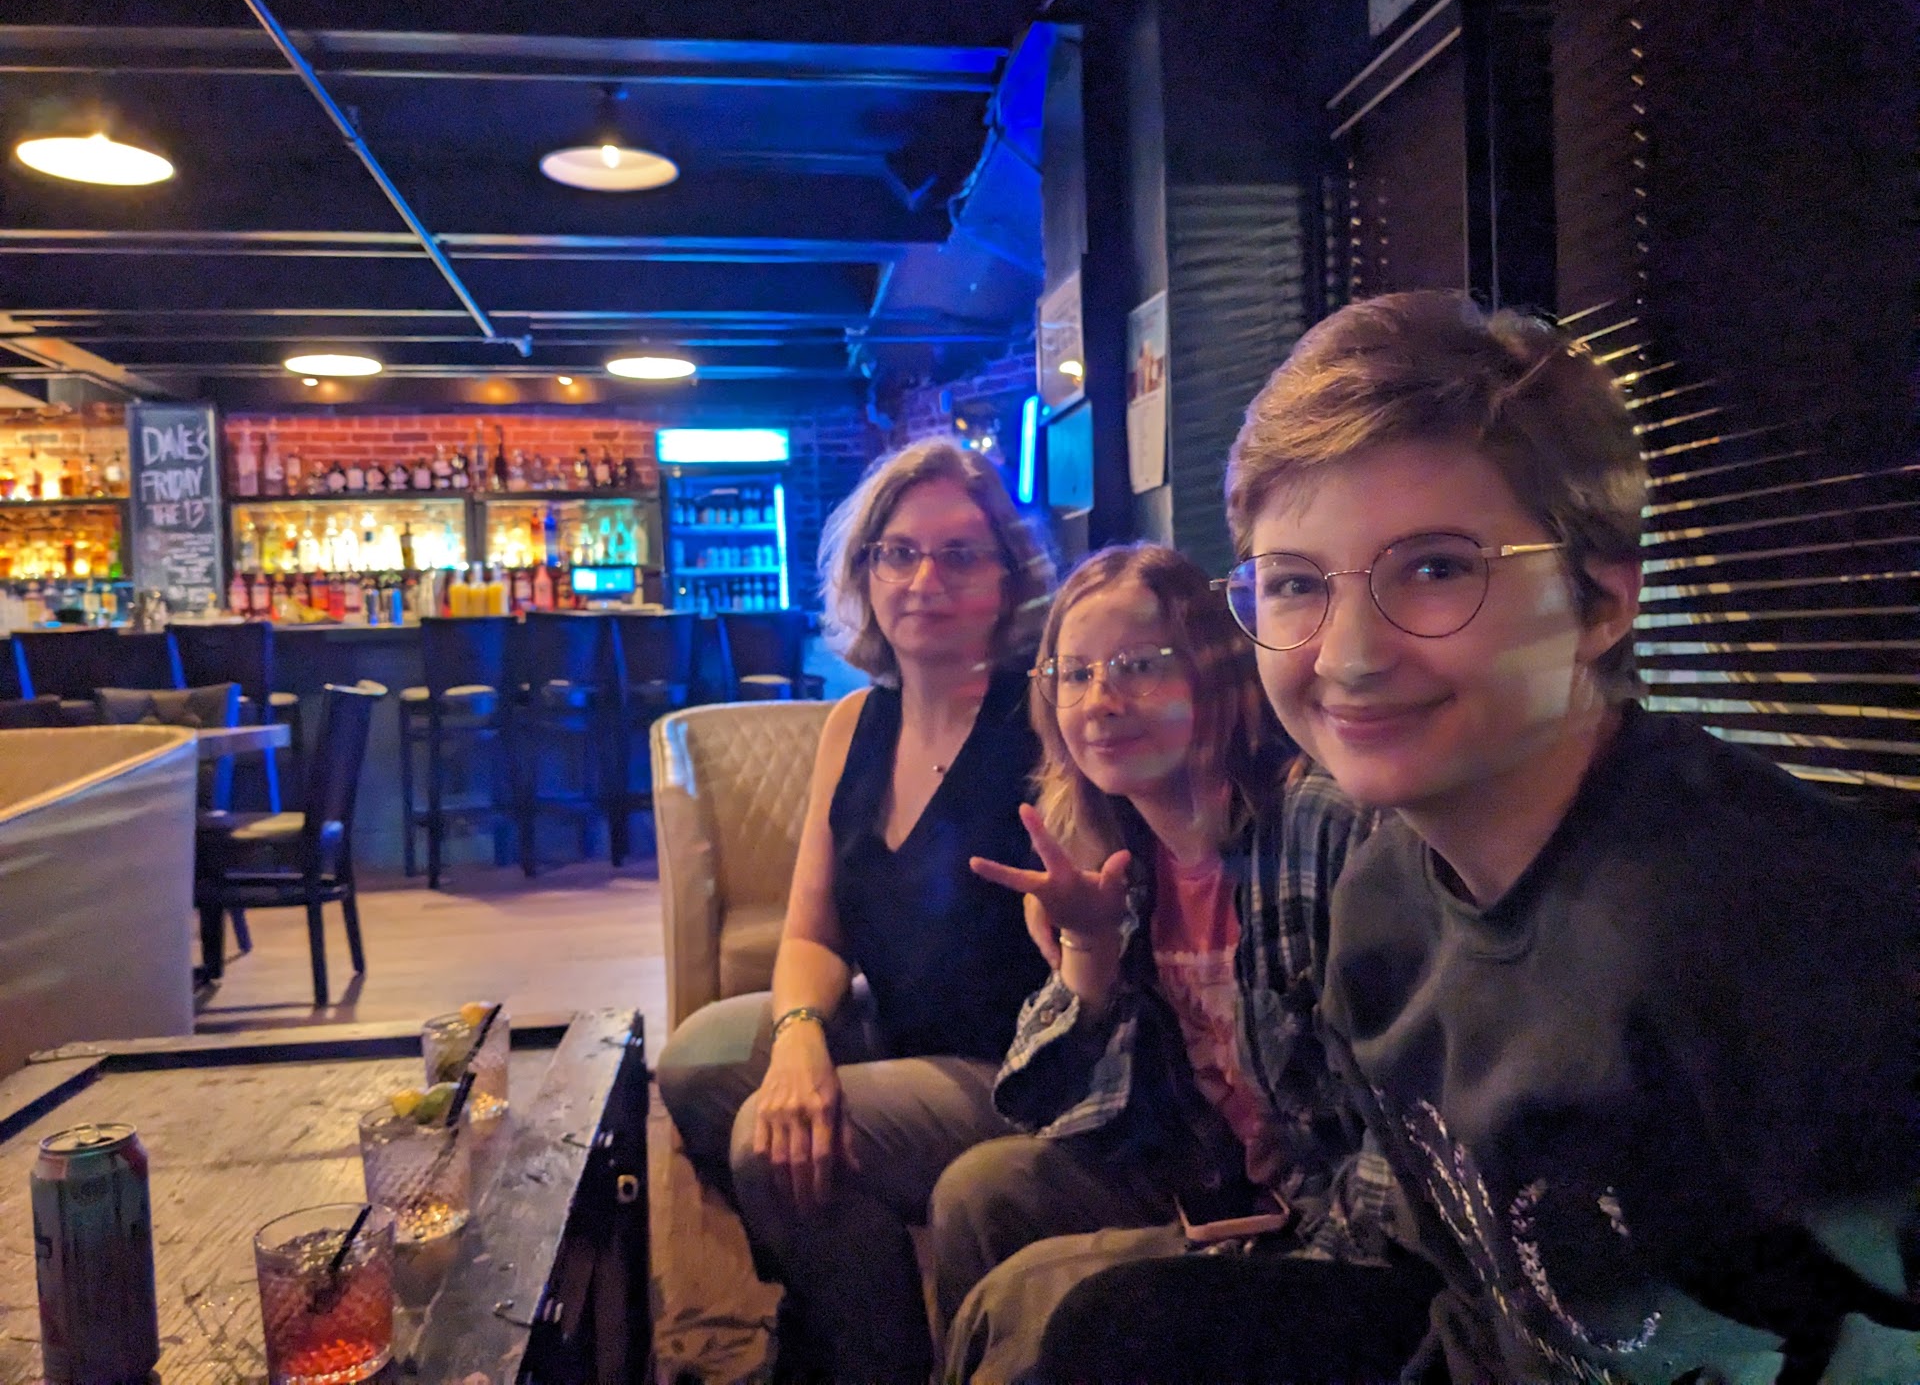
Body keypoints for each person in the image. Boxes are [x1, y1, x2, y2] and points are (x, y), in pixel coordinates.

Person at [1212, 289, 1920, 1383]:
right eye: (1296, 584)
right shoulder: (1380, 909)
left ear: (1601, 603)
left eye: (1437, 568)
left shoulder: (1789, 934)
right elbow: (1484, 1313)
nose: (1348, 656)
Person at [935, 543, 1439, 1384]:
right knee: (981, 1190)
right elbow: (1046, 1109)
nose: (1100, 701)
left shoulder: (1322, 826)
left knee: (1023, 1302)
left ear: (1213, 674)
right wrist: (1090, 952)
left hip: (1339, 1228)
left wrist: (1283, 1260)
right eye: (1074, 673)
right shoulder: (1110, 854)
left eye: (1137, 667)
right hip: (1209, 1179)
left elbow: (1408, 1121)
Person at [654, 436, 1056, 1382]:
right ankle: (840, 1305)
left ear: (1009, 579)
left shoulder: (1047, 718)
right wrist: (800, 1040)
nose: (924, 579)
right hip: (902, 1029)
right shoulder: (853, 724)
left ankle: (874, 1365)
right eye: (898, 552)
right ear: (865, 570)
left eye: (960, 555)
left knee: (768, 1142)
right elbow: (813, 931)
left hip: (1016, 1066)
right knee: (698, 1062)